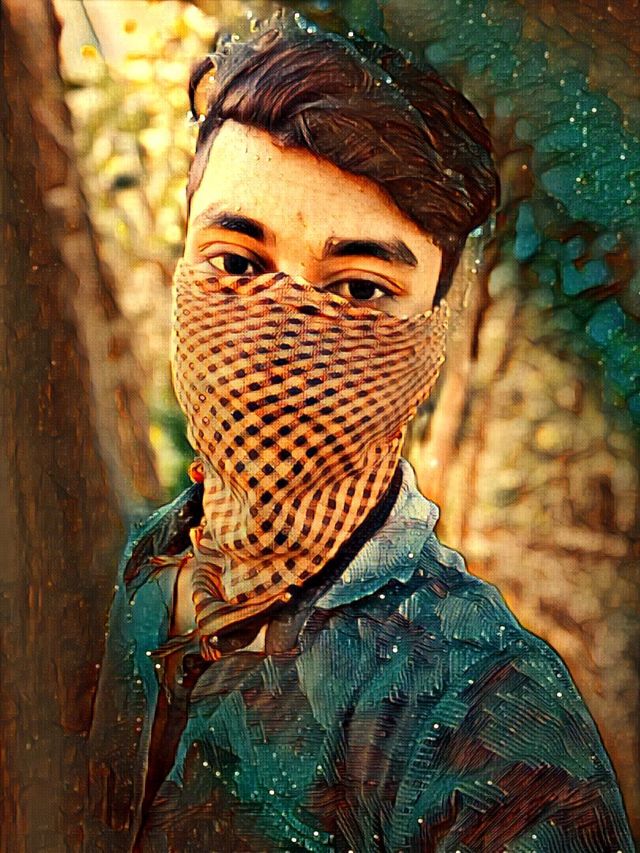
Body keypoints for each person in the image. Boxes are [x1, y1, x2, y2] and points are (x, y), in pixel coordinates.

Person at [86, 10, 633, 852]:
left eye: (359, 289)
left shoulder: (482, 711)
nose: (280, 341)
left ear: (432, 336)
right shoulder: (117, 579)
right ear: (182, 272)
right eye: (237, 263)